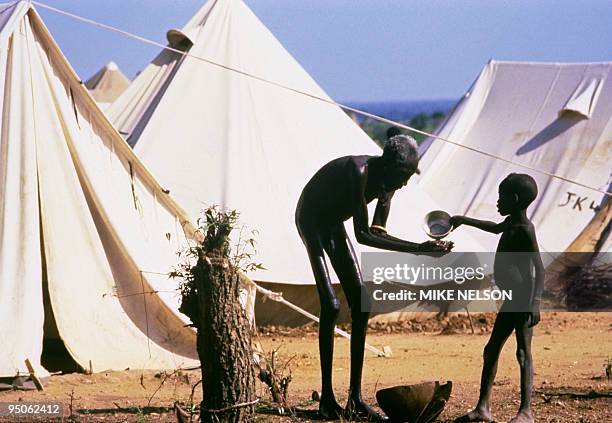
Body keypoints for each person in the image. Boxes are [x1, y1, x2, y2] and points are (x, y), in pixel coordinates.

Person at [295, 135, 451, 421]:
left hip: (332, 222)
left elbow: (378, 230)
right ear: (391, 167)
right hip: (312, 218)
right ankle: (327, 399)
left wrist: (424, 247)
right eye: (403, 176)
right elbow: (362, 234)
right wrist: (418, 249)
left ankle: (355, 398)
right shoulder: (359, 172)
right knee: (330, 305)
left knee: (361, 304)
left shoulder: (387, 184)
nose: (404, 184)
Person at [450, 173, 544, 423]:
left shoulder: (525, 229)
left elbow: (539, 268)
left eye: (501, 197)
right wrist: (464, 220)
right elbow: (493, 228)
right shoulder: (511, 222)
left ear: (514, 199)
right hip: (512, 299)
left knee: (523, 353)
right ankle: (483, 408)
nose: (497, 202)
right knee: (491, 349)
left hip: (523, 300)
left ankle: (526, 412)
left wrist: (535, 303)